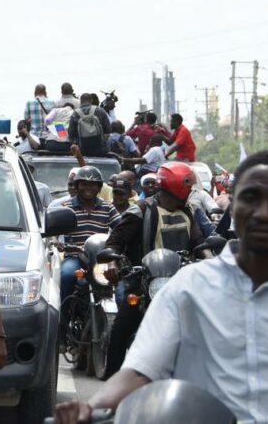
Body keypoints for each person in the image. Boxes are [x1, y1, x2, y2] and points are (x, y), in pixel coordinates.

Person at [54, 150, 268, 424]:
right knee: (123, 316)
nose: (264, 213)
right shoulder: (188, 287)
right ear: (235, 204)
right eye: (251, 198)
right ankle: (100, 358)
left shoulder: (191, 213)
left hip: (173, 269)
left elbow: (203, 239)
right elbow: (141, 368)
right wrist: (92, 407)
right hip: (143, 277)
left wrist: (206, 252)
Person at [101, 162, 205, 379]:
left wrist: (210, 258)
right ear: (178, 186)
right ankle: (111, 384)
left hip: (179, 283)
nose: (190, 193)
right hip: (143, 283)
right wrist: (111, 262)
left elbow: (199, 243)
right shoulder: (140, 210)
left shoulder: (187, 212)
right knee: (121, 329)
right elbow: (114, 242)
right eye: (188, 187)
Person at [59, 167, 121, 312]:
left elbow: (120, 229)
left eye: (93, 184)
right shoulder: (66, 207)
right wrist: (57, 242)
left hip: (101, 258)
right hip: (75, 257)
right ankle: (63, 317)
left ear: (99, 187)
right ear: (77, 186)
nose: (89, 188)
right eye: (84, 184)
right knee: (66, 274)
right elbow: (55, 232)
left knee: (119, 285)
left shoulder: (108, 207)